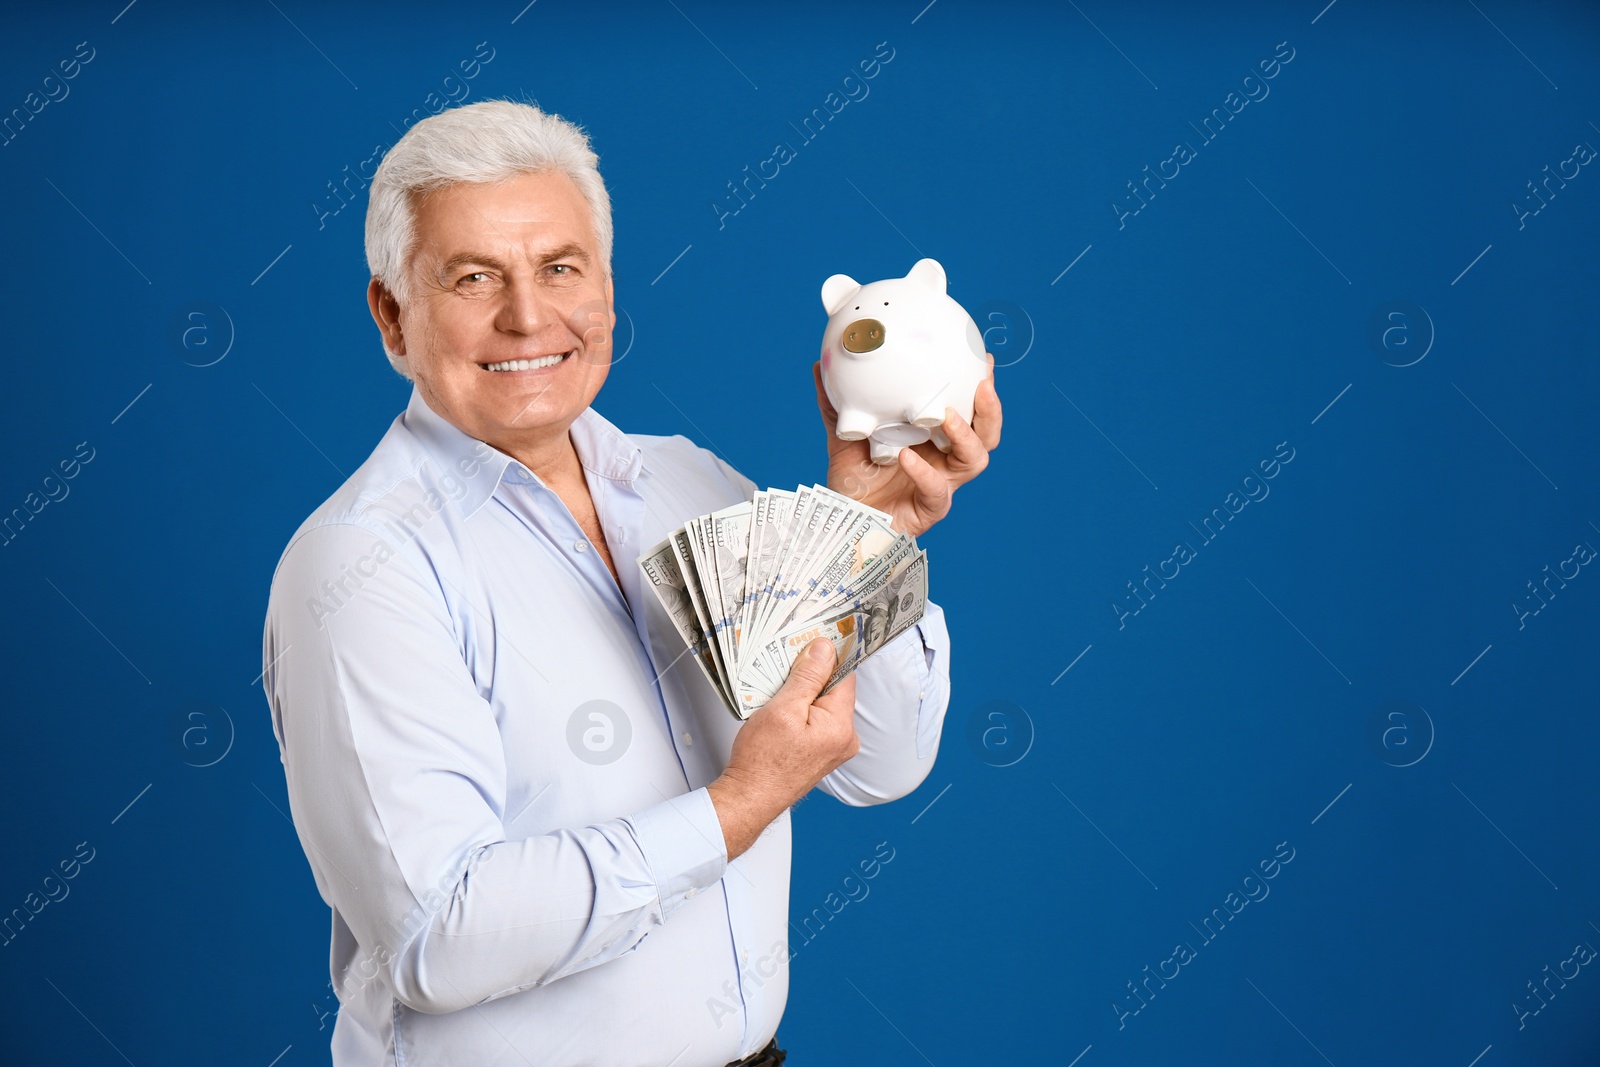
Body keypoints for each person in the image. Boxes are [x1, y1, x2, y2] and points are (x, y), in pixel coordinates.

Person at [261, 98, 1001, 1067]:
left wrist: (869, 523)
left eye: (559, 268)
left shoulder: (691, 484)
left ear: (606, 288)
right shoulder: (361, 566)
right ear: (393, 315)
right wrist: (736, 805)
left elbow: (879, 763)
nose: (528, 315)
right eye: (473, 277)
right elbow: (435, 935)